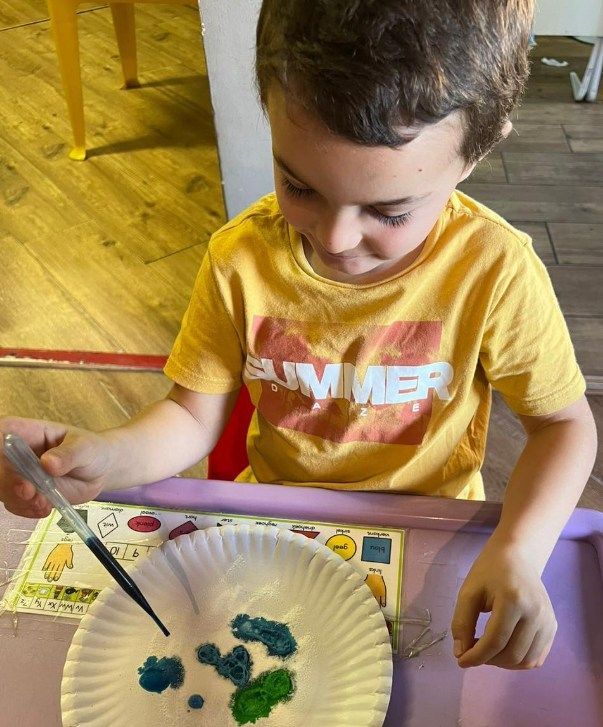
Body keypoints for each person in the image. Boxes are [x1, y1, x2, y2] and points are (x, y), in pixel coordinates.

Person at [0, 0, 597, 672]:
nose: (336, 239)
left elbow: (563, 426)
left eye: (388, 210)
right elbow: (190, 416)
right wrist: (107, 456)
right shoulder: (240, 257)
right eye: (298, 185)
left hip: (426, 536)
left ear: (477, 150)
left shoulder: (494, 269)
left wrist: (519, 547)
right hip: (275, 530)